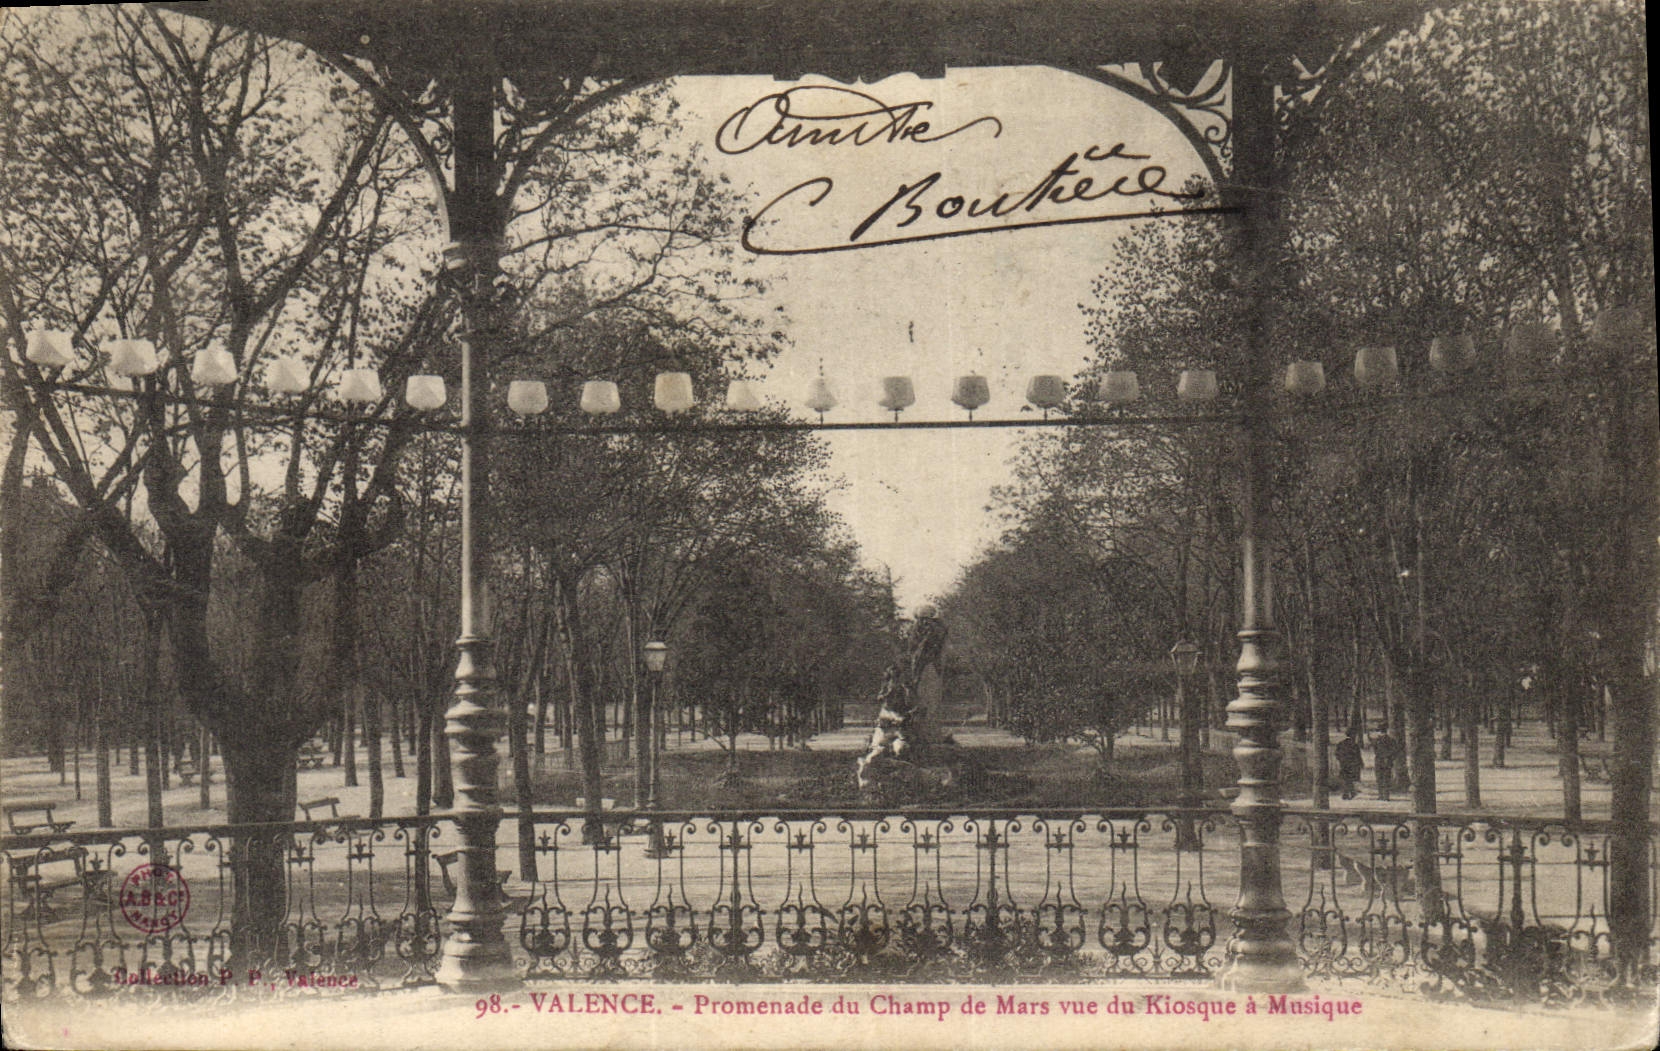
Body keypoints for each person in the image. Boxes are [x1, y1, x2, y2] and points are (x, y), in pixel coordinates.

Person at [1371, 725, 1402, 801]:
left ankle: (1381, 795)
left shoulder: (1377, 740)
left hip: (1379, 761)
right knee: (1386, 778)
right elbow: (1395, 751)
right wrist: (1391, 759)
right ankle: (1385, 796)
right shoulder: (1391, 740)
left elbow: (1375, 751)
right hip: (1387, 761)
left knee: (1380, 778)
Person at [1334, 729, 1364, 800]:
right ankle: (1350, 792)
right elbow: (1358, 755)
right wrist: (1361, 763)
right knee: (1350, 779)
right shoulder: (1354, 744)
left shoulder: (1341, 743)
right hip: (1352, 765)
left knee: (1345, 779)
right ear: (1352, 735)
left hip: (1344, 764)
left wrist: (1340, 760)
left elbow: (1336, 753)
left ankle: (1347, 793)